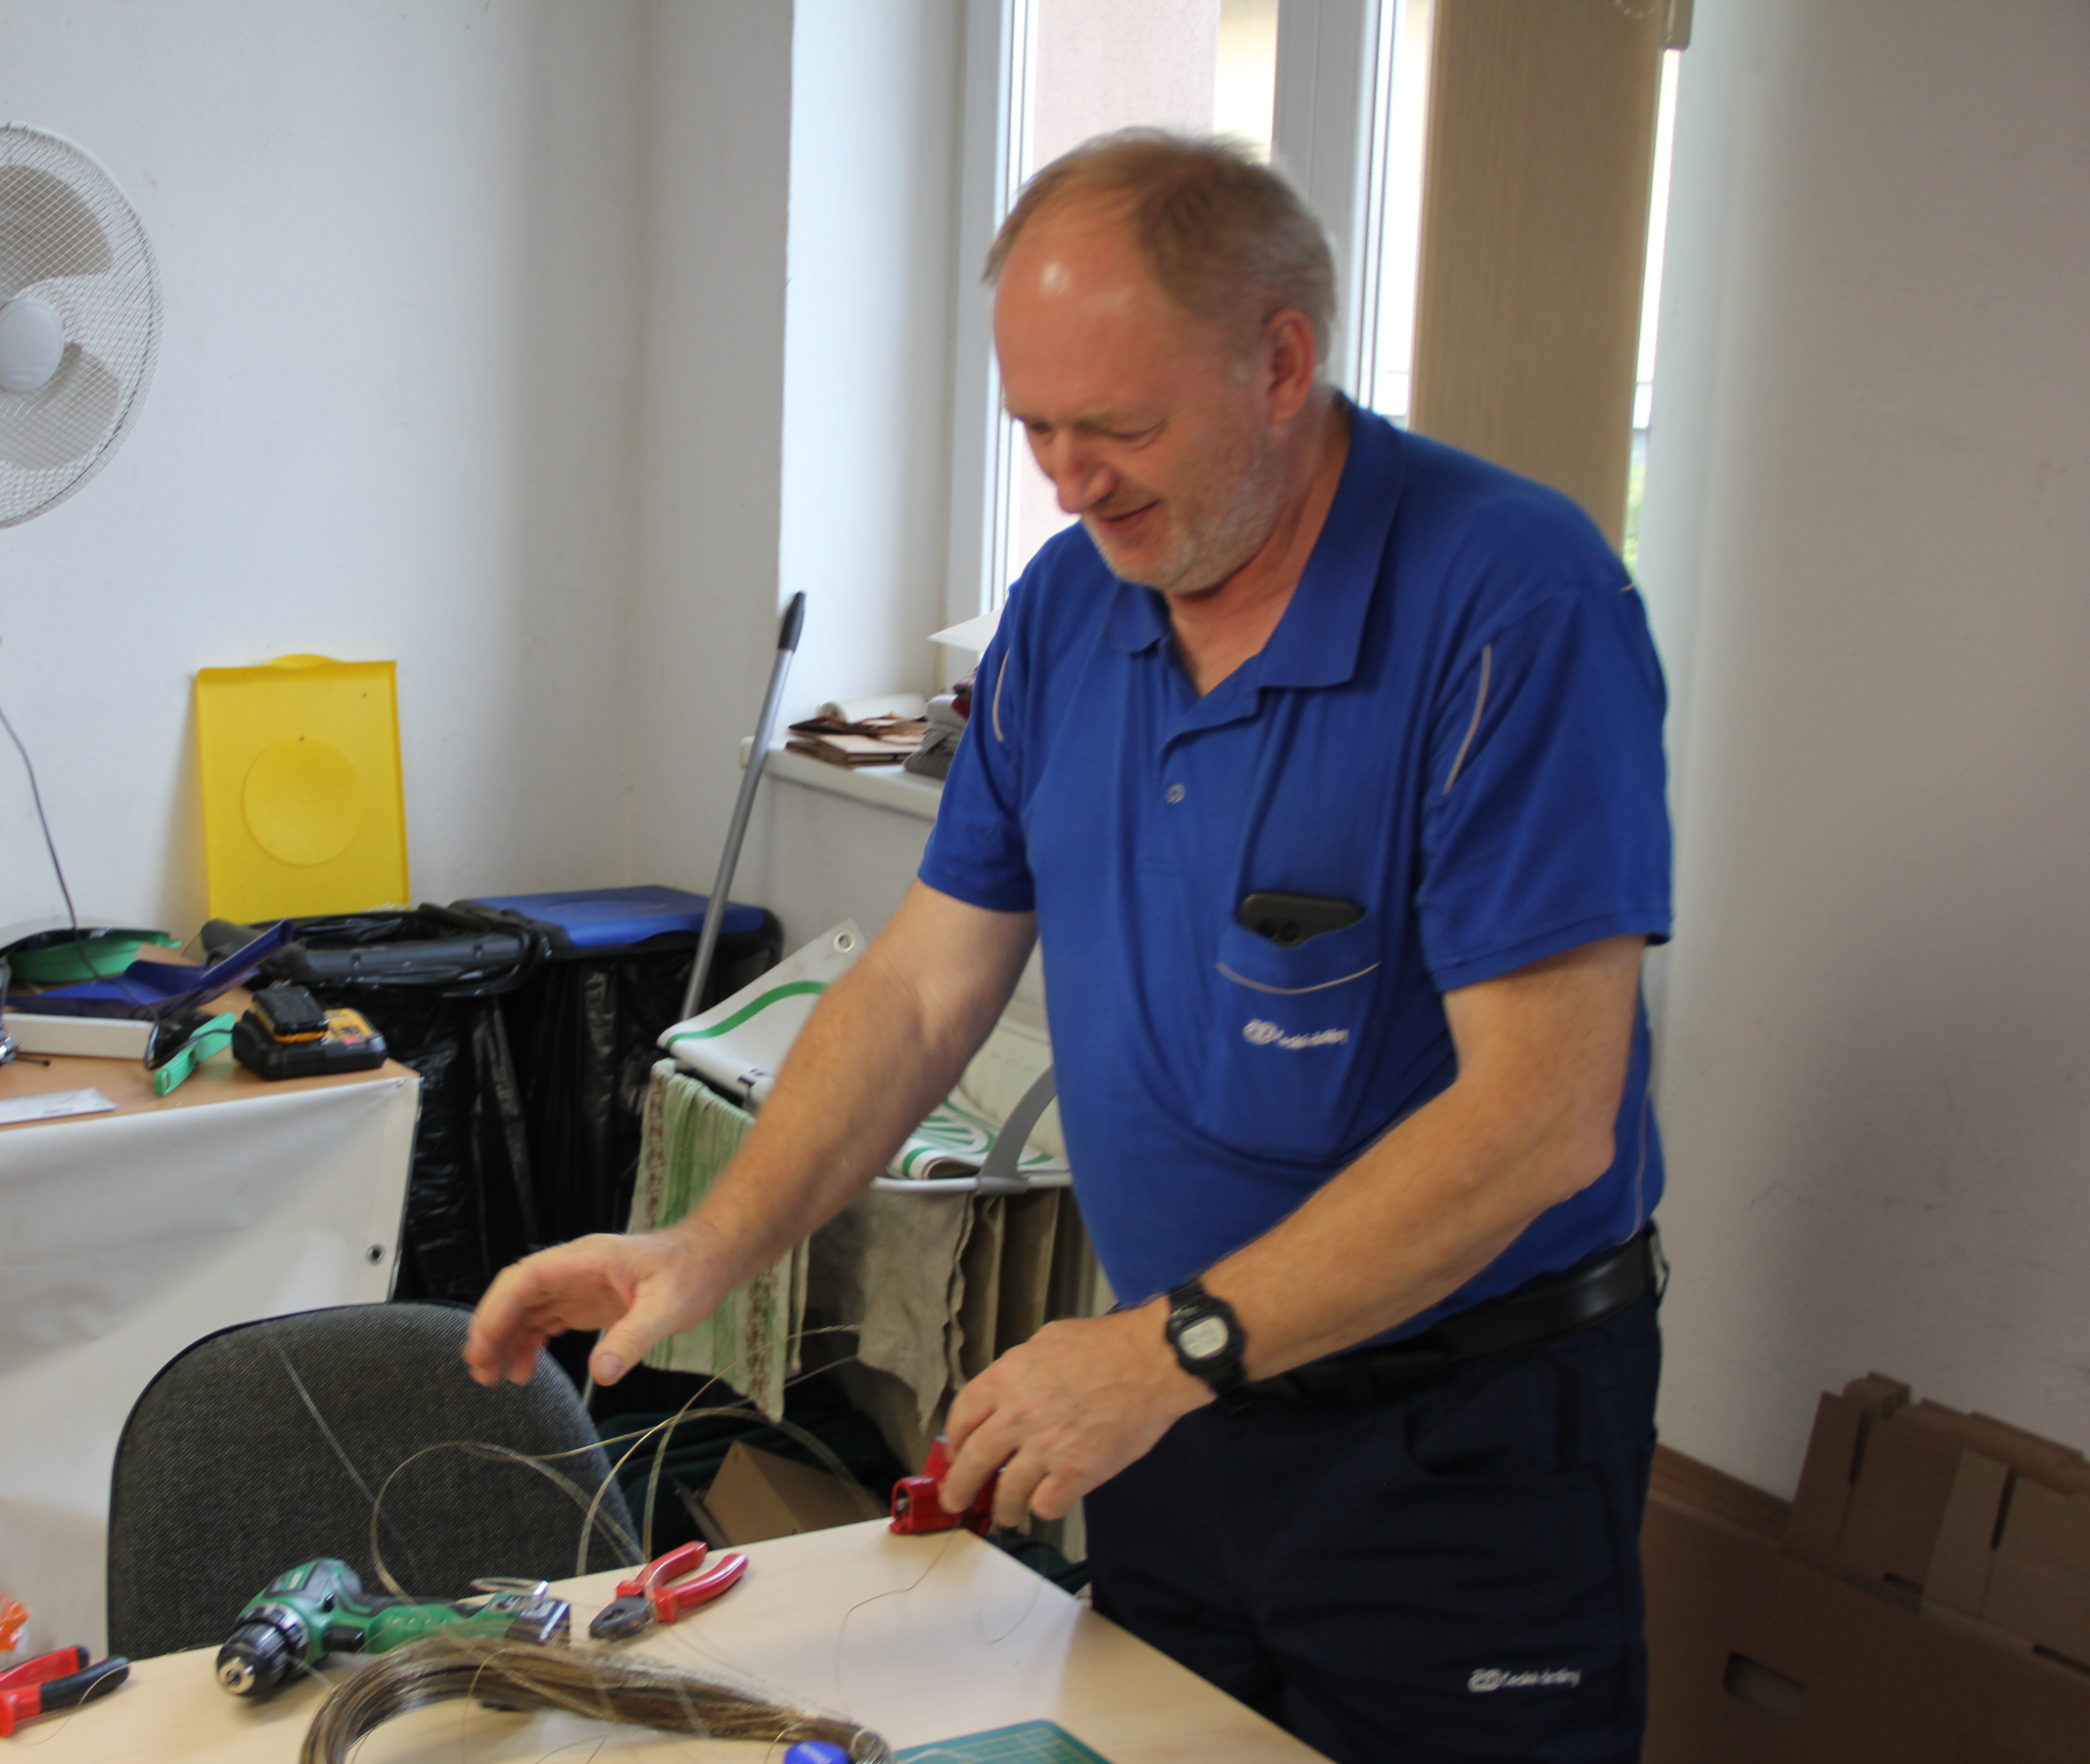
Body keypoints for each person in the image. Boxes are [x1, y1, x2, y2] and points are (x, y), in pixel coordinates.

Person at [467, 129, 1671, 1764]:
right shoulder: (1068, 608)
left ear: (1282, 363)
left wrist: (1169, 1353)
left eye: (1119, 426)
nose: (1070, 478)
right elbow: (921, 988)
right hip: (1174, 1416)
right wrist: (710, 1243)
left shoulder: (1514, 603)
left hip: (1455, 1439)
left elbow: (1543, 1118)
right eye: (1035, 426)